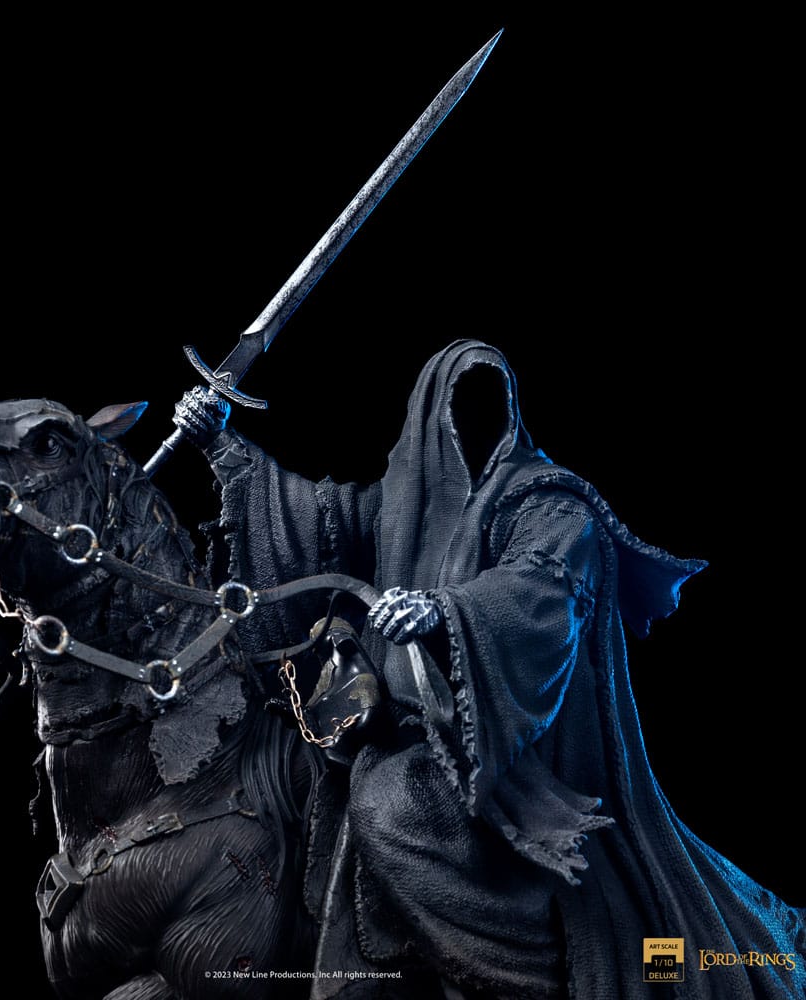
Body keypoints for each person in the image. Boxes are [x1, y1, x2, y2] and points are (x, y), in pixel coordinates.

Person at [173, 340, 804, 999]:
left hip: (513, 750)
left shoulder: (553, 505)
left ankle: (522, 976)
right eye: (451, 407)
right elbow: (319, 520)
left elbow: (538, 591)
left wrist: (442, 610)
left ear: (508, 412)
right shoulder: (408, 500)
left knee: (391, 807)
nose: (465, 425)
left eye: (481, 407)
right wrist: (222, 445)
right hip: (398, 724)